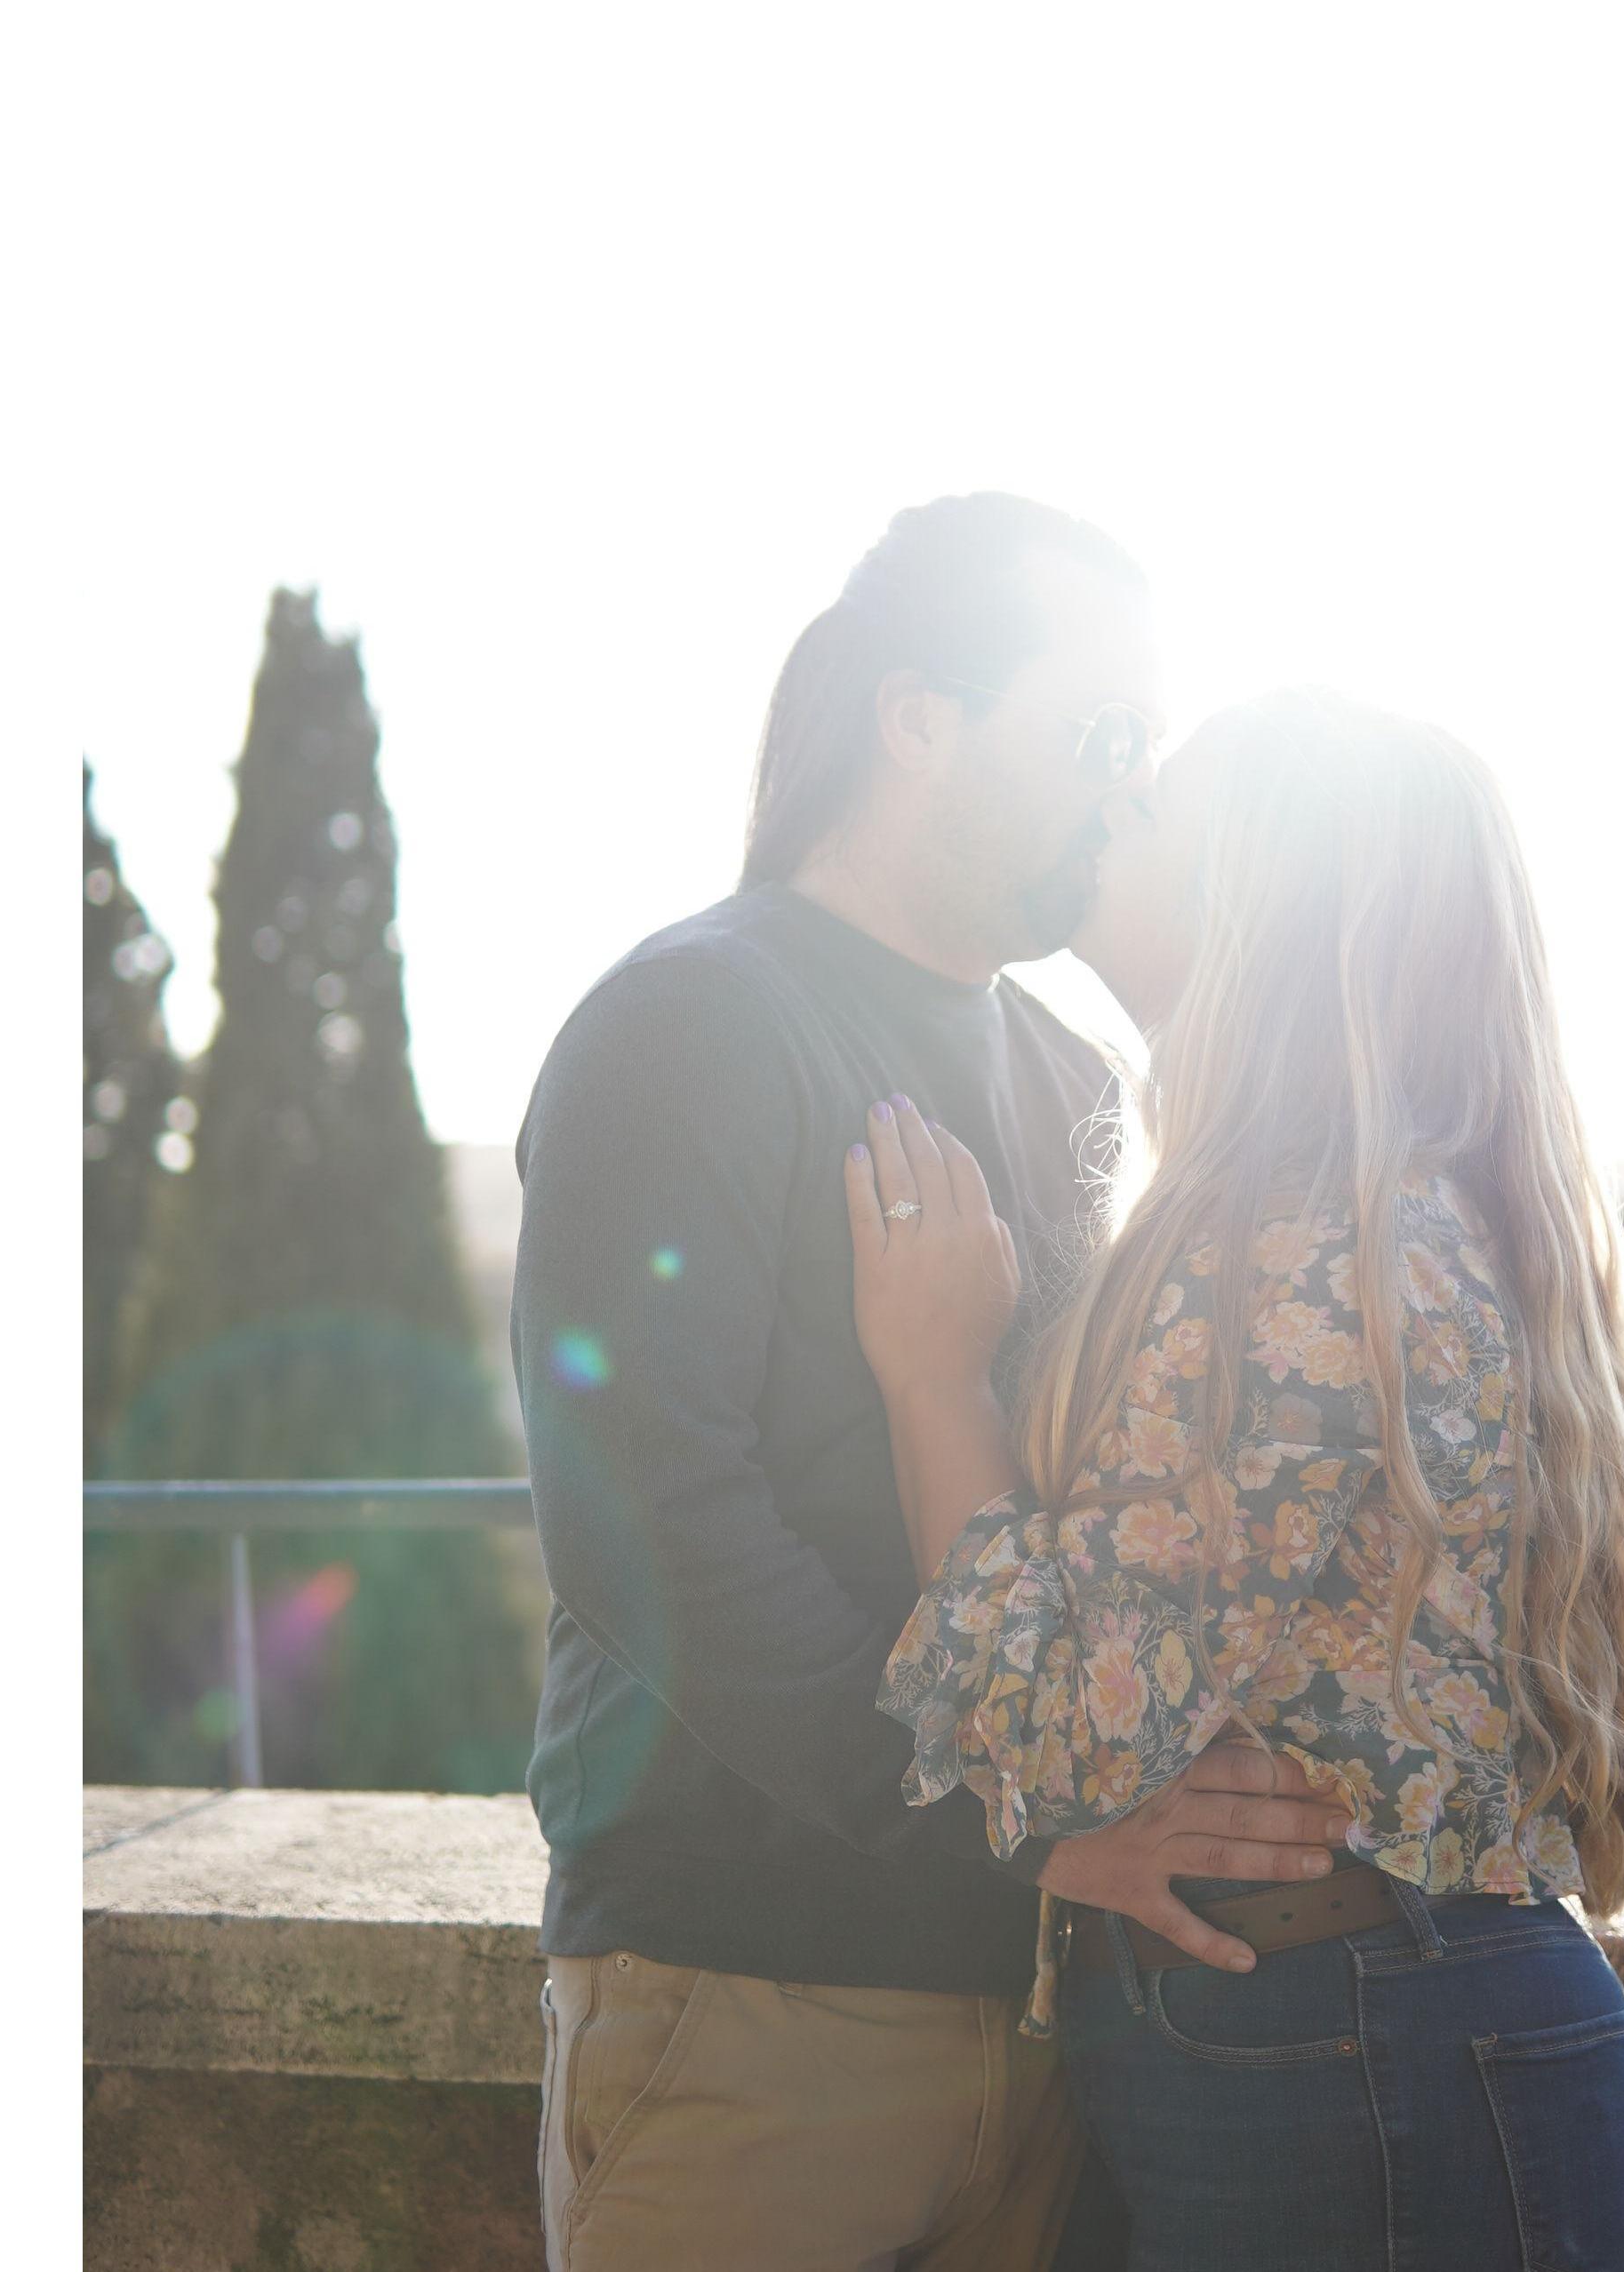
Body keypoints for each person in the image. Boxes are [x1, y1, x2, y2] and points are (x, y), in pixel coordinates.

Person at [514, 500, 1351, 2272]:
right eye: (1094, 735)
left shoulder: (1065, 1069)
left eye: (1146, 748)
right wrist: (1007, 1824)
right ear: (917, 719)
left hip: (1048, 2020)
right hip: (749, 2012)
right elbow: (639, 1510)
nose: (1128, 796)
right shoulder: (691, 1023)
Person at [852, 689, 1624, 2270]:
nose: (1105, 819)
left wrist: (931, 1376)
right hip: (1371, 2048)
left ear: (1267, 899)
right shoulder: (1371, 1218)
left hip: (1361, 2065)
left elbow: (1059, 1731)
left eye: (1149, 810)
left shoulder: (1307, 1251)